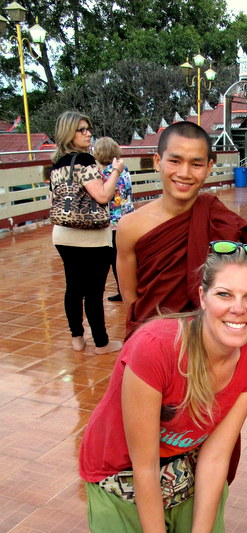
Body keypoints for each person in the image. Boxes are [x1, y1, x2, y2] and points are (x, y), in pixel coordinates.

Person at [80, 242, 247, 533]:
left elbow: (215, 455)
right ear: (202, 297)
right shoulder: (156, 347)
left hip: (184, 462)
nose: (238, 309)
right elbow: (143, 467)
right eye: (224, 294)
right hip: (121, 471)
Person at [117, 121, 247, 341]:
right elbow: (131, 299)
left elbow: (233, 289)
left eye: (196, 164)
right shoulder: (130, 226)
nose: (185, 173)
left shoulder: (219, 220)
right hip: (151, 338)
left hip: (206, 339)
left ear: (209, 167)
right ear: (157, 161)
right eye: (175, 161)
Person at [50, 111, 124, 354]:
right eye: (81, 130)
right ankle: (101, 342)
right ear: (68, 132)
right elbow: (103, 195)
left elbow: (54, 198)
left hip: (63, 234)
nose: (88, 133)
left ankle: (77, 338)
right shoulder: (84, 160)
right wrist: (116, 172)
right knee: (93, 291)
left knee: (73, 288)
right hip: (91, 237)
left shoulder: (56, 165)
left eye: (88, 129)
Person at [93, 136, 135, 303]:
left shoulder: (106, 173)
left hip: (114, 221)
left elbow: (103, 196)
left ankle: (123, 290)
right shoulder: (123, 169)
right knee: (127, 255)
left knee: (116, 259)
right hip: (129, 216)